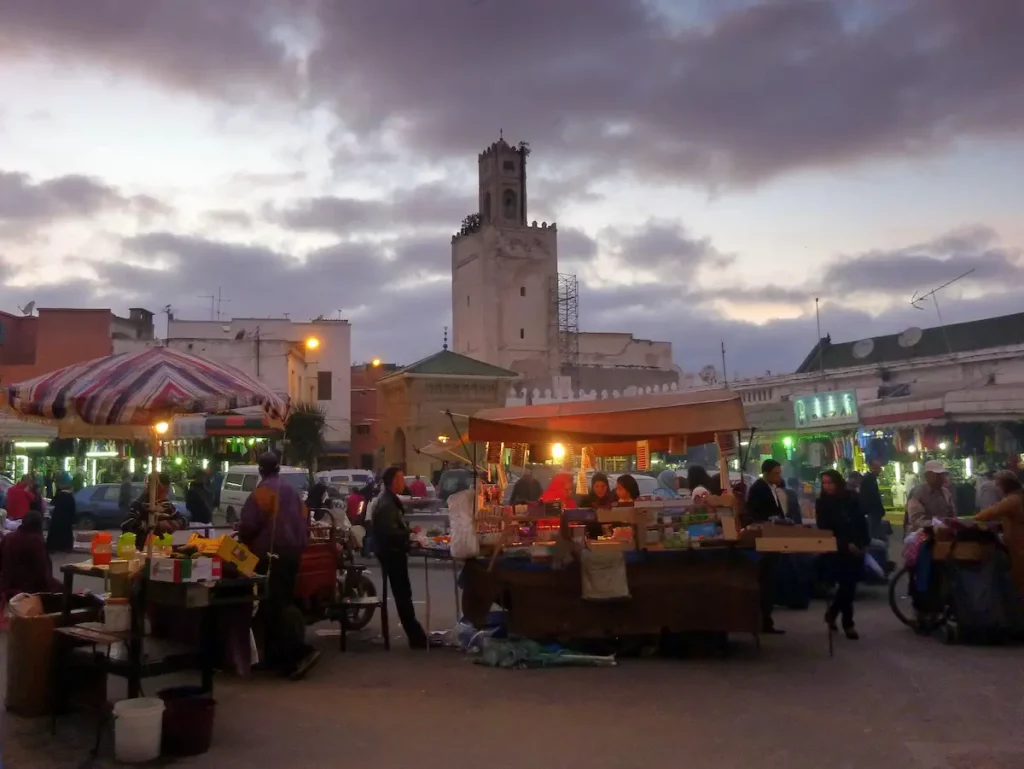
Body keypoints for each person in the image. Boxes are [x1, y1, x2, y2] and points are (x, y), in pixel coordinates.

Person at [238, 452, 320, 678]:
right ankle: (274, 659)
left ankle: (298, 655)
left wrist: (243, 535)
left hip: (272, 555)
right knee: (275, 604)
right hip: (293, 553)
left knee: (275, 607)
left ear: (260, 470)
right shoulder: (293, 493)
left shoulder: (263, 493)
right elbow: (305, 518)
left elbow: (248, 525)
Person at [371, 466, 427, 649]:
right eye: (401, 479)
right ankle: (416, 637)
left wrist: (408, 531)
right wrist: (408, 535)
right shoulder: (387, 503)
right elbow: (390, 533)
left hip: (392, 552)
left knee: (403, 593)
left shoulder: (388, 500)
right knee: (403, 594)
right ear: (394, 481)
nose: (404, 483)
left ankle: (416, 635)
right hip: (392, 554)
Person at [816, 470, 870, 640]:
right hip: (836, 550)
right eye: (824, 483)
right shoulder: (822, 503)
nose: (827, 486)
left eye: (830, 482)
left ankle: (832, 614)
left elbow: (861, 521)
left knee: (850, 587)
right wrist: (846, 545)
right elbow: (825, 528)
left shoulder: (851, 498)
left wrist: (862, 543)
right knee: (845, 586)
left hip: (856, 546)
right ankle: (848, 623)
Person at [746, 460, 787, 634]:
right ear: (766, 473)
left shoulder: (772, 488)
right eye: (776, 473)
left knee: (770, 582)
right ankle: (764, 620)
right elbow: (756, 515)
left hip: (773, 538)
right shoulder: (759, 489)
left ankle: (767, 620)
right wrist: (773, 520)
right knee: (766, 582)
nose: (779, 476)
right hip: (765, 540)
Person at [974, 470, 1024, 596]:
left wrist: (971, 521)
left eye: (997, 485)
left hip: (1019, 550)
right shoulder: (1018, 497)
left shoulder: (1012, 499)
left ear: (1004, 485)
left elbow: (990, 512)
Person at [0, 511, 62, 595]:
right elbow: (42, 570)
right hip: (30, 588)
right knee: (62, 589)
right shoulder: (36, 541)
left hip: (7, 585)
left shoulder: (8, 537)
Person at [121, 473, 187, 550]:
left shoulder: (167, 505)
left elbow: (184, 520)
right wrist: (154, 525)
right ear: (151, 488)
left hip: (162, 549)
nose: (164, 495)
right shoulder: (139, 505)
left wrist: (170, 524)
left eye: (166, 491)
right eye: (161, 491)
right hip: (140, 549)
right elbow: (126, 524)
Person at [906, 460, 956, 531]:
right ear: (927, 476)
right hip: (923, 534)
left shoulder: (946, 493)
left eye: (942, 475)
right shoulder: (917, 493)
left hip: (944, 533)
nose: (940, 478)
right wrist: (936, 523)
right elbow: (916, 520)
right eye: (936, 475)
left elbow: (952, 514)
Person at [46, 477, 76, 553]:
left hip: (57, 518)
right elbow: (73, 509)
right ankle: (65, 547)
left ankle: (53, 547)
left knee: (55, 533)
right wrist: (72, 520)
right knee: (66, 534)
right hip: (66, 519)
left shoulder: (58, 496)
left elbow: (52, 504)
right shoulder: (70, 497)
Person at [859, 458, 887, 540]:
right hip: (872, 512)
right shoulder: (868, 479)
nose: (880, 470)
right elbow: (871, 497)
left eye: (880, 468)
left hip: (874, 512)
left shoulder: (871, 479)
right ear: (872, 468)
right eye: (877, 468)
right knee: (873, 535)